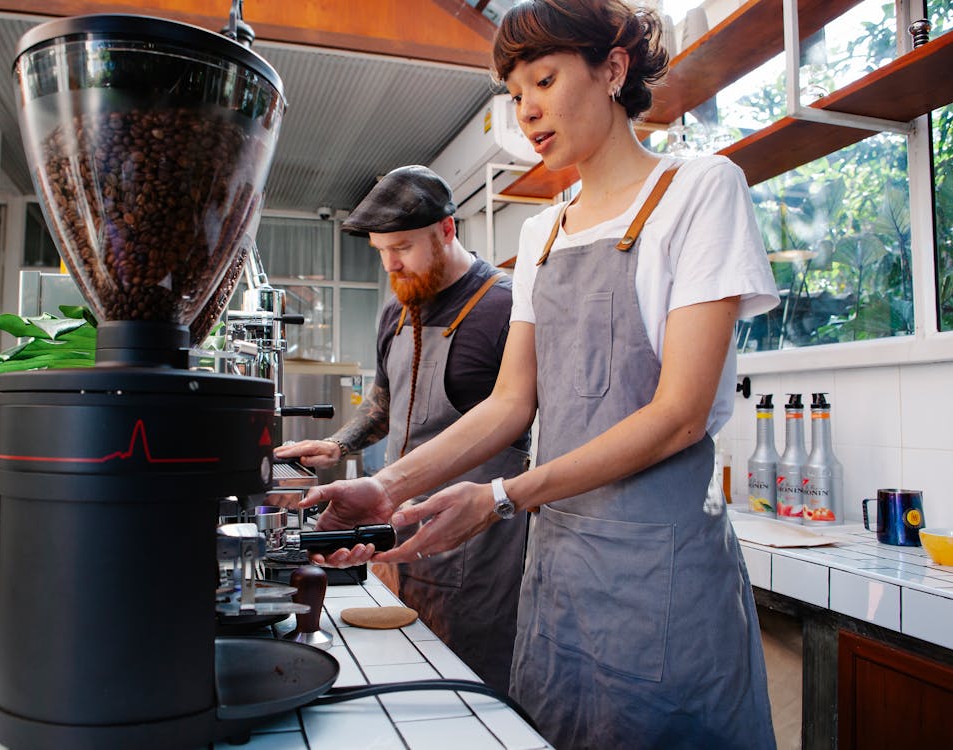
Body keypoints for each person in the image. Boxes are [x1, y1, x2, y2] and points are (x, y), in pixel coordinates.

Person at [292, 2, 781, 748]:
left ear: (613, 69)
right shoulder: (540, 230)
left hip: (659, 574)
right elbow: (509, 403)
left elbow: (678, 412)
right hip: (557, 576)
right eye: (514, 94)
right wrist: (383, 488)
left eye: (544, 81)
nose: (527, 111)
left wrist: (500, 495)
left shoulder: (698, 191)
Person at [273, 165, 530, 693]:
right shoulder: (397, 307)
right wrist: (339, 443)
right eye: (380, 250)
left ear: (446, 230)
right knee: (406, 678)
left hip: (478, 548)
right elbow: (386, 401)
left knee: (473, 689)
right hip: (394, 534)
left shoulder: (507, 306)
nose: (391, 263)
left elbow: (522, 417)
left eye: (403, 247)